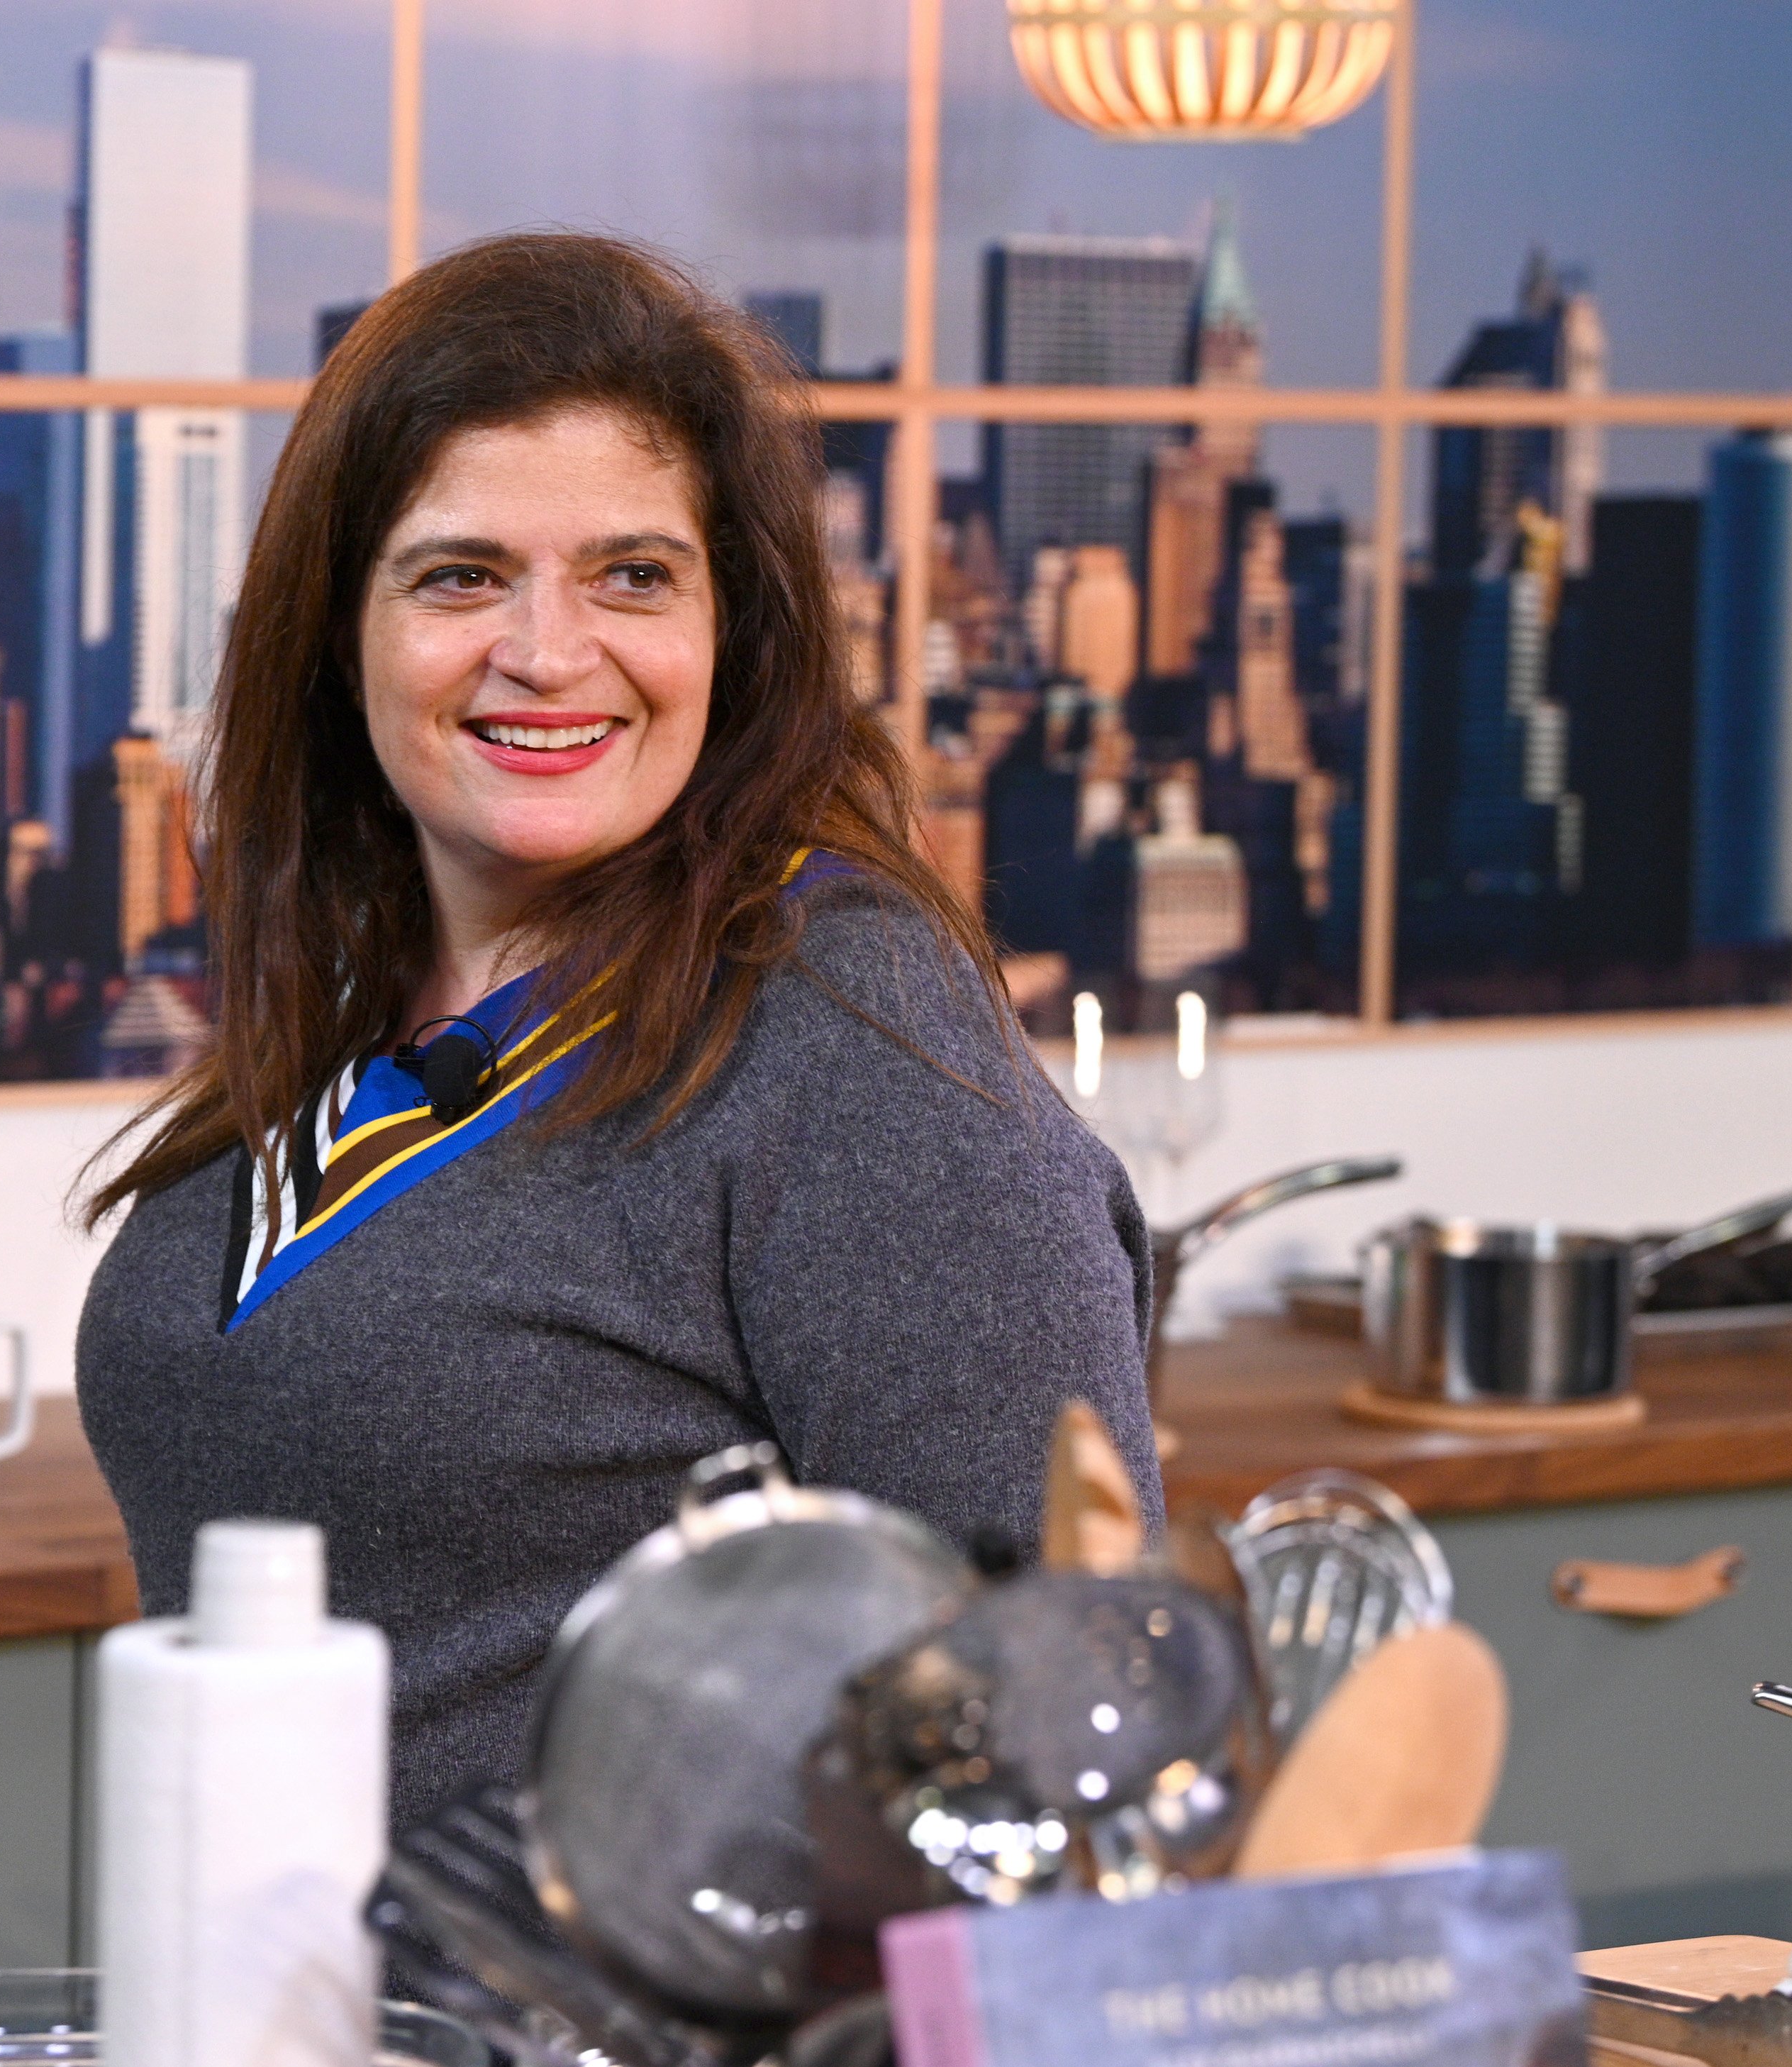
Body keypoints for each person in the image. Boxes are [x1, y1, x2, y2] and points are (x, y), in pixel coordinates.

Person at [74, 231, 1157, 1832]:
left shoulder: (854, 1046)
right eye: (460, 574)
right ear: (337, 629)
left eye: (632, 575)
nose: (548, 652)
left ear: (734, 631)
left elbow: (1064, 1737)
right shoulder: (365, 1007)